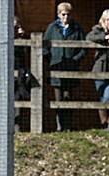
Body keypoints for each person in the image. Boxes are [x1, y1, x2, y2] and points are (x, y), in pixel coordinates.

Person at [43, 2, 86, 131]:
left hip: (71, 67)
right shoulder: (52, 28)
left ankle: (68, 126)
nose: (66, 17)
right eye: (63, 14)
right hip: (56, 67)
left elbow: (84, 47)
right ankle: (59, 126)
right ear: (58, 15)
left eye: (68, 14)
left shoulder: (77, 28)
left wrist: (76, 60)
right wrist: (51, 59)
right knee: (58, 98)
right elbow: (45, 46)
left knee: (68, 97)